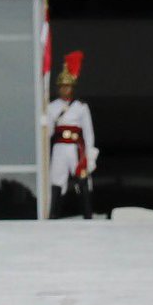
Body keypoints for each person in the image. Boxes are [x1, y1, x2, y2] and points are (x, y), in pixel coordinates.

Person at [46, 51, 97, 220]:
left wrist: (89, 154)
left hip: (76, 148)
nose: (64, 89)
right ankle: (53, 214)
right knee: (56, 180)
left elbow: (88, 132)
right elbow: (49, 133)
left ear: (72, 88)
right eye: (61, 86)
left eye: (67, 86)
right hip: (59, 148)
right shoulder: (52, 107)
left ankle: (87, 214)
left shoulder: (81, 107)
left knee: (82, 179)